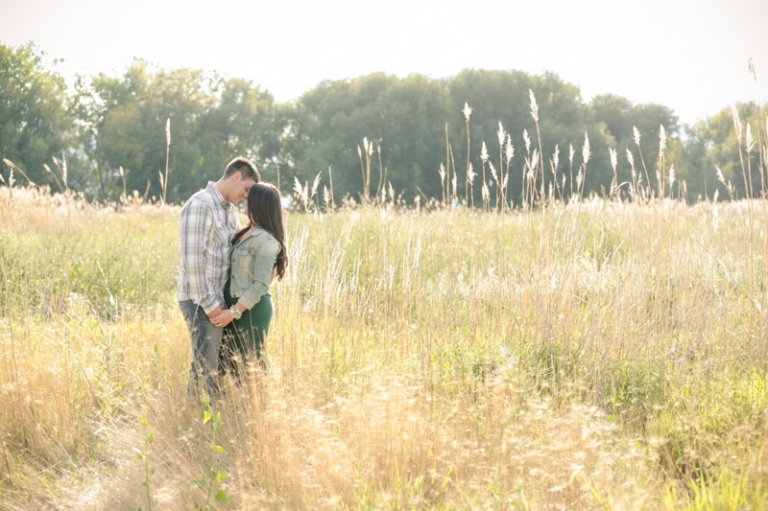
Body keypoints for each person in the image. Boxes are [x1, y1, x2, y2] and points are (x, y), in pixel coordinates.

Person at [178, 157, 260, 400]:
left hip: (221, 303)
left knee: (216, 367)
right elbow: (192, 261)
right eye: (246, 189)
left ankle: (211, 416)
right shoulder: (200, 205)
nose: (246, 196)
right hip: (200, 301)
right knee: (206, 368)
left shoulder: (230, 211)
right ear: (236, 176)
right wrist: (211, 305)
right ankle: (198, 417)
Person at [213, 182, 288, 383]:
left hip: (251, 311)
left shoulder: (267, 240)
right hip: (234, 309)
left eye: (248, 197)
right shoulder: (244, 232)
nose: (243, 199)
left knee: (252, 371)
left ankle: (262, 403)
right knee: (229, 366)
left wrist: (232, 313)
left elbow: (260, 285)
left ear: (258, 203)